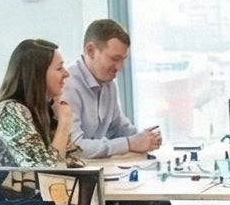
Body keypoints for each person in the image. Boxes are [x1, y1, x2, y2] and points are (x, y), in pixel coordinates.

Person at [0, 38, 79, 202]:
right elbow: (48, 175)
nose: (66, 73)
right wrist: (64, 123)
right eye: (59, 68)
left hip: (17, 203)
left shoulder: (38, 110)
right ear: (37, 75)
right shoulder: (9, 112)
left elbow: (67, 161)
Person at [62, 18, 160, 160]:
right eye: (114, 59)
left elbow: (119, 128)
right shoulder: (67, 85)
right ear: (90, 51)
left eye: (123, 60)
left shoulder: (109, 84)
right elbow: (75, 149)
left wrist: (147, 138)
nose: (119, 68)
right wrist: (129, 143)